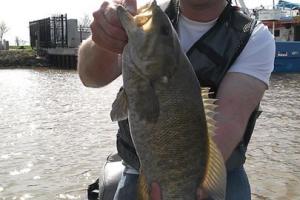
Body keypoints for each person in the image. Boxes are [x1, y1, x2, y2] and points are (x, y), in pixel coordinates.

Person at [78, 0, 275, 199]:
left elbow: (230, 120)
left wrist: (190, 188)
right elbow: (91, 77)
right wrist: (104, 40)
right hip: (138, 170)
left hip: (217, 174)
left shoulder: (253, 36)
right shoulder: (149, 20)